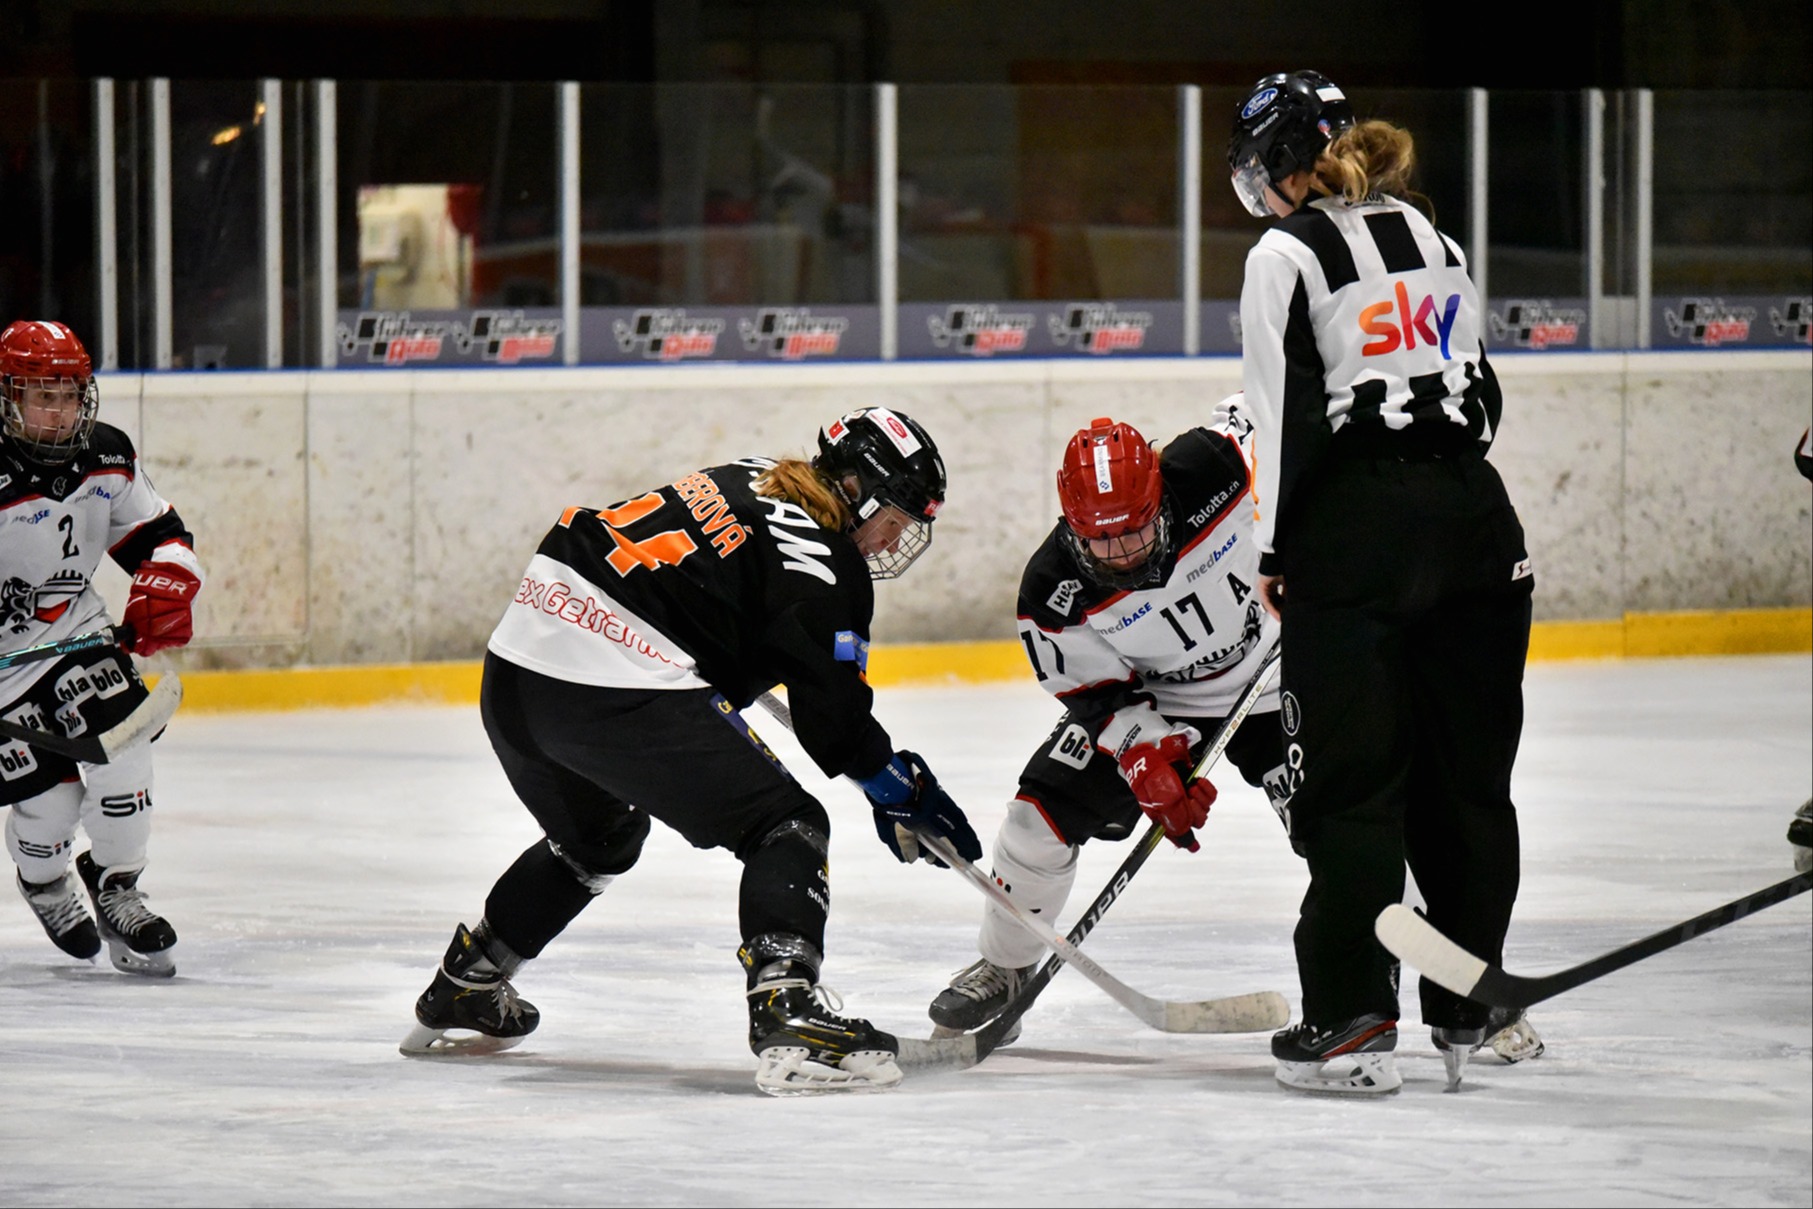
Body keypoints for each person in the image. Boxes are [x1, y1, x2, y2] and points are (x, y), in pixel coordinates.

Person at [398, 405, 984, 1096]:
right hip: (608, 678)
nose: (893, 539)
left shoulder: (751, 473)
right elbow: (834, 726)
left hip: (519, 666)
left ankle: (470, 980)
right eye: (897, 517)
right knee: (785, 825)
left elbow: (708, 599)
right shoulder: (828, 563)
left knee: (598, 837)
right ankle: (787, 1007)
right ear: (856, 488)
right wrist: (898, 786)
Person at [1229, 71, 1536, 1094]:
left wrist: (1276, 554)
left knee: (1355, 794)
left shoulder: (1284, 253)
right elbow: (1480, 399)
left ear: (1280, 165)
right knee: (1470, 787)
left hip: (1356, 534)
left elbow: (1283, 417)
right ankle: (1468, 1010)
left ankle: (1353, 1021)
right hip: (1479, 524)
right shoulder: (1435, 239)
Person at [926, 398, 1291, 1036]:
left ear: (1158, 496)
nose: (1120, 552)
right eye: (1099, 538)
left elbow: (1292, 420)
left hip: (1282, 673)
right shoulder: (1054, 589)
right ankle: (1005, 969)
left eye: (1135, 530)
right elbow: (1095, 693)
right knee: (1036, 820)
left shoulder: (1217, 463)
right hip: (1163, 698)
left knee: (1346, 819)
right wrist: (1141, 751)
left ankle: (1422, 967)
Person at [1, 319, 202, 977]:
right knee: (51, 804)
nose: (57, 410)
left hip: (76, 638)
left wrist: (166, 580)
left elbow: (161, 534)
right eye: (41, 395)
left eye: (67, 394)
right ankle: (44, 877)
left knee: (125, 751)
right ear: (8, 397)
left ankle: (118, 884)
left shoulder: (106, 456)